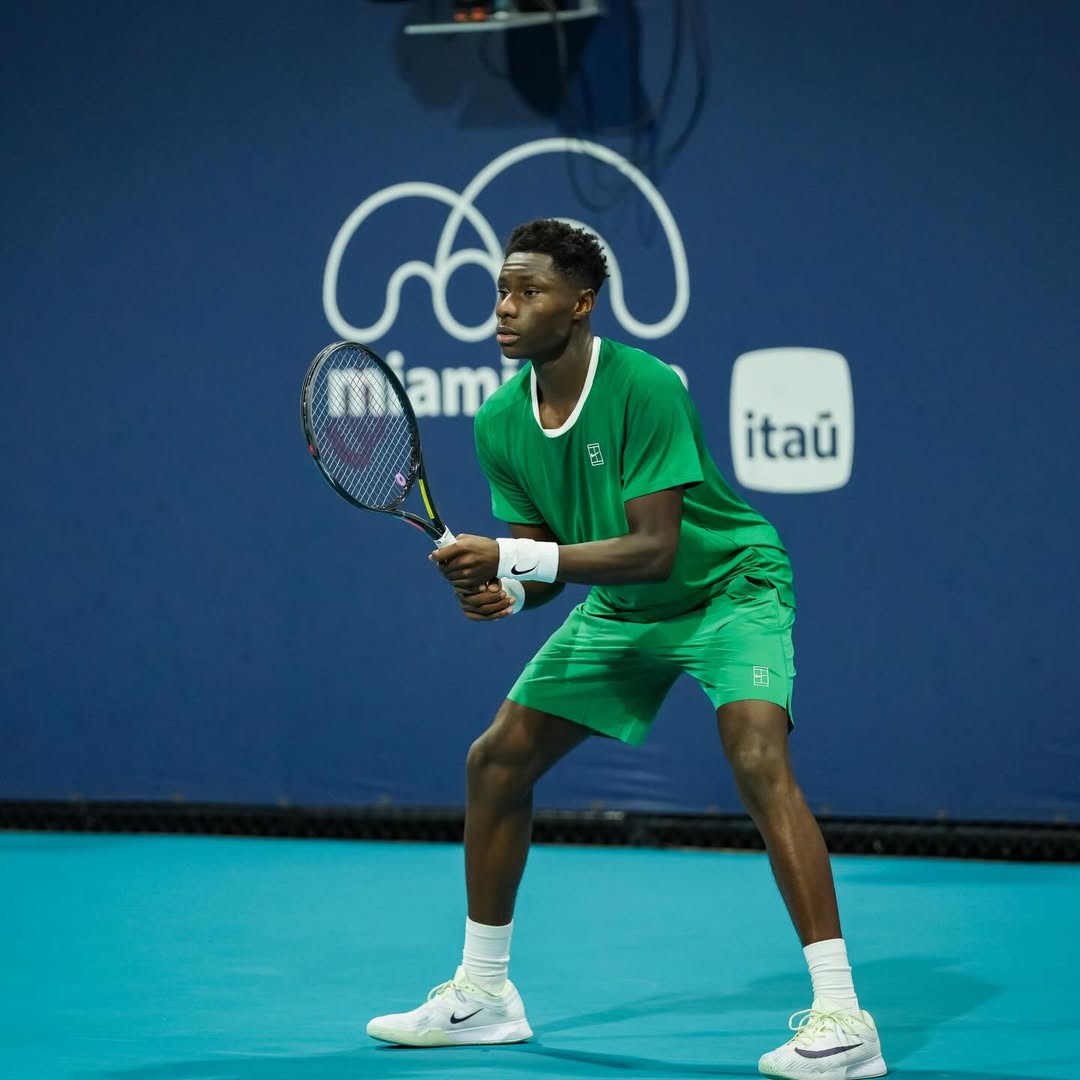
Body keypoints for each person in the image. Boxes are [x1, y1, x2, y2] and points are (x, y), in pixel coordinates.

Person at [366, 219, 887, 1079]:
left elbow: (654, 546)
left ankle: (843, 1015)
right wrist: (506, 588)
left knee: (757, 757)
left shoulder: (645, 385)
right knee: (496, 762)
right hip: (622, 612)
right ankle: (486, 996)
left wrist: (516, 558)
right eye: (500, 291)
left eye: (527, 293)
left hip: (729, 590)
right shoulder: (500, 422)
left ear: (579, 304)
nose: (504, 309)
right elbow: (546, 563)